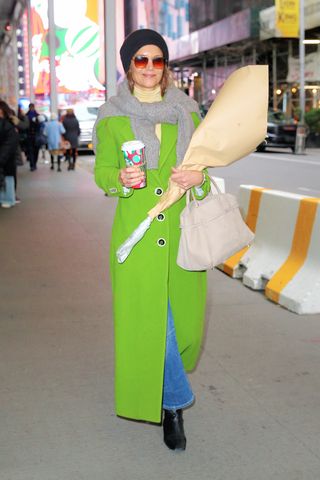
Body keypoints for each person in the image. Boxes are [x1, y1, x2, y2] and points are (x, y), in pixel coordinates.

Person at [94, 29, 211, 451]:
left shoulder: (189, 112)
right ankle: (174, 406)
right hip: (137, 237)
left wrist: (197, 178)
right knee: (152, 325)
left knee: (185, 327)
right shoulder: (111, 115)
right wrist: (121, 181)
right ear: (129, 65)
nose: (148, 68)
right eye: (140, 60)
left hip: (182, 234)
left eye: (157, 60)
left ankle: (169, 391)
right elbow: (103, 173)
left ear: (165, 66)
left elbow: (205, 170)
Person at [0, 103, 19, 208]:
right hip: (6, 159)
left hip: (6, 159)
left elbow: (9, 144)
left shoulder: (8, 125)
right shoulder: (10, 125)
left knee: (7, 178)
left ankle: (7, 198)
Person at [26, 103, 40, 171]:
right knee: (36, 150)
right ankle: (34, 164)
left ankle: (32, 165)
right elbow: (40, 126)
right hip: (36, 136)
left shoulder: (26, 116)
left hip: (29, 135)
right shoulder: (38, 116)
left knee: (31, 150)